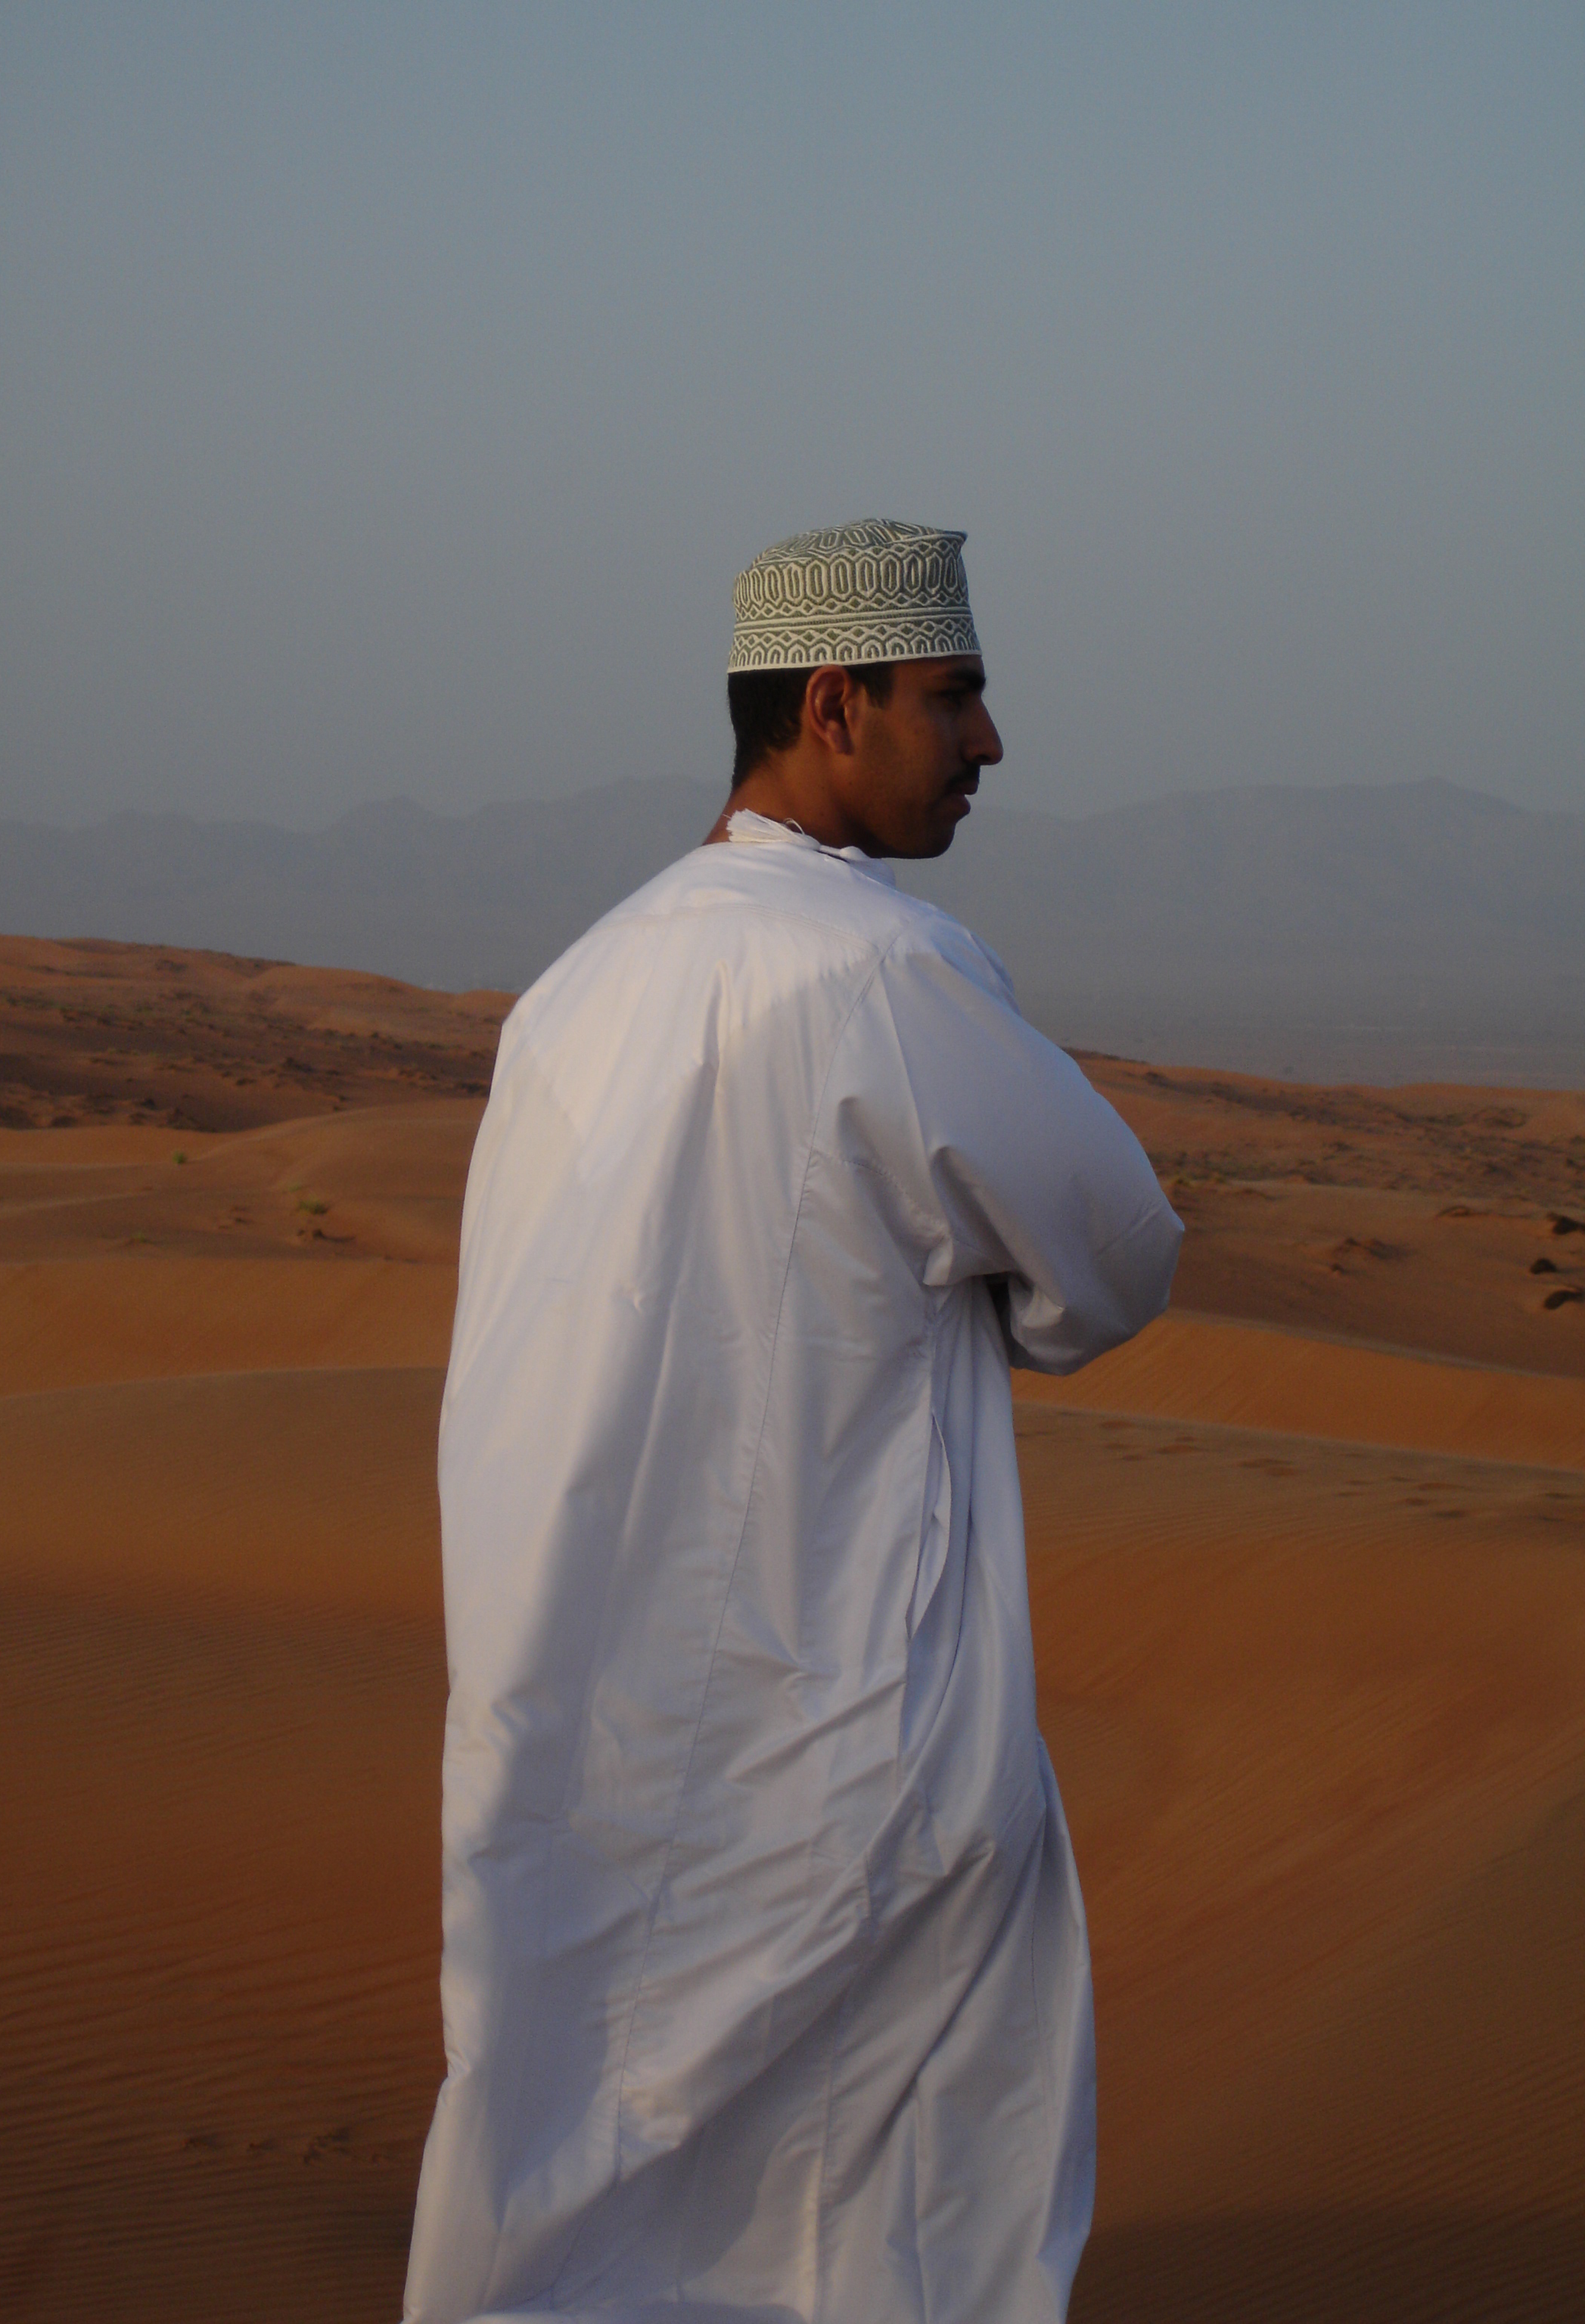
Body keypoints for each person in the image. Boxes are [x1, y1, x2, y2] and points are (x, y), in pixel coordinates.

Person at [401, 520, 1182, 2324]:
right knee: (890, 2239)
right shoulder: (879, 973)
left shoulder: (572, 997)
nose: (989, 744)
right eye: (955, 695)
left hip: (573, 1761)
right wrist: (993, 1292)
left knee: (567, 2199)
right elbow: (1121, 1251)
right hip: (856, 1766)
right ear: (835, 707)